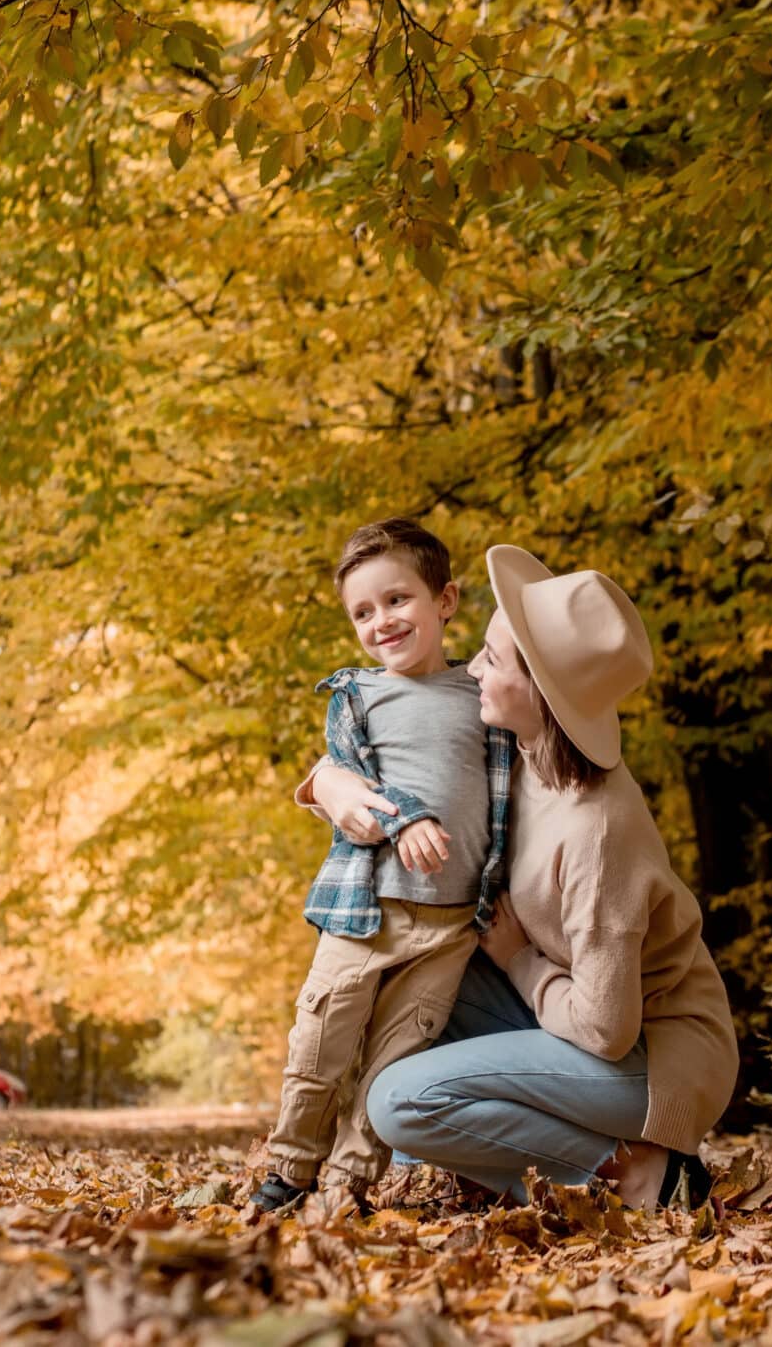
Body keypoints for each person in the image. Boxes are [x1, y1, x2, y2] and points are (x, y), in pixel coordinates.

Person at [309, 547, 738, 1208]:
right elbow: (401, 742)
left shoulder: (598, 832)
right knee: (402, 985)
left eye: (493, 659)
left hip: (654, 1054)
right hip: (584, 1015)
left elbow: (605, 1028)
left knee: (398, 1103)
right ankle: (514, 1167)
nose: (473, 667)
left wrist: (518, 962)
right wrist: (329, 782)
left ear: (539, 688)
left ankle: (634, 1175)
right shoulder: (516, 754)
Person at [251, 519, 515, 1212]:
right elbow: (349, 780)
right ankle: (290, 1168)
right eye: (362, 612)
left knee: (397, 1053)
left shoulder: (483, 696)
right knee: (321, 1039)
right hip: (363, 912)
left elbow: (509, 791)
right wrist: (407, 817)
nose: (381, 621)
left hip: (451, 924)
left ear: (445, 600)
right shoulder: (358, 697)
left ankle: (347, 1184)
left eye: (397, 600)